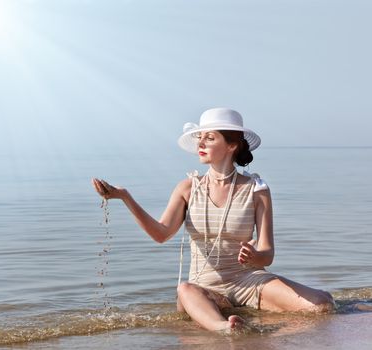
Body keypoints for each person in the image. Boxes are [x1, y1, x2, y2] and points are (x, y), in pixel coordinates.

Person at [92, 107, 335, 332]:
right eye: (200, 137)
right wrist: (125, 197)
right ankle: (224, 327)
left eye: (210, 137)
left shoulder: (257, 189)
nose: (201, 143)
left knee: (322, 305)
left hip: (248, 281)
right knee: (185, 289)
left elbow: (267, 254)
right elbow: (161, 234)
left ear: (231, 145)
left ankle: (241, 319)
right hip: (203, 288)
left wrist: (255, 257)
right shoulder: (187, 188)